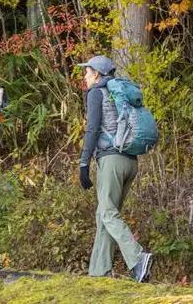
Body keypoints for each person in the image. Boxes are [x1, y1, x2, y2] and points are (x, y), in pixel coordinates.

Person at [78, 54, 153, 282]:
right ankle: (99, 272)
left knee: (108, 213)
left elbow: (91, 130)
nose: (85, 76)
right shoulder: (119, 92)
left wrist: (84, 162)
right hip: (130, 161)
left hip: (111, 160)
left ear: (97, 75)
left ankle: (138, 258)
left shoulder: (96, 93)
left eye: (87, 72)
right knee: (105, 215)